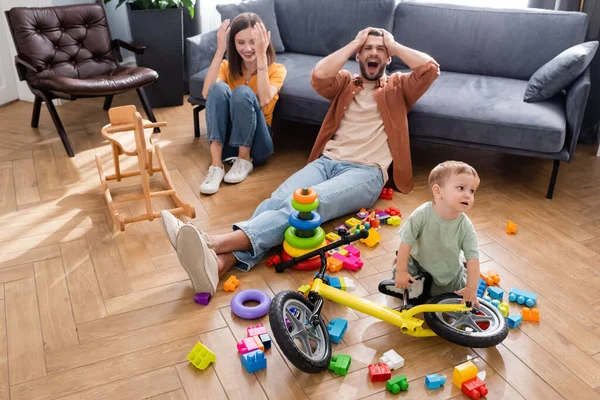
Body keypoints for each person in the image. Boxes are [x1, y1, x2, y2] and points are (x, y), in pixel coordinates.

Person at [162, 27, 440, 295]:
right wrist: (356, 43)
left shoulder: (399, 86)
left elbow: (430, 69)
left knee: (303, 205)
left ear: (389, 58)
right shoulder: (345, 82)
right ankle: (220, 264)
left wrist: (390, 44)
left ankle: (210, 241)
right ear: (358, 55)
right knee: (276, 199)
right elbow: (319, 75)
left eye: (381, 50)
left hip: (366, 172)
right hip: (326, 162)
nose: (374, 53)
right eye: (368, 49)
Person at [199, 13, 287, 195]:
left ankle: (244, 159)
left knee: (242, 93)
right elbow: (207, 93)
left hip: (258, 145)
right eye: (240, 43)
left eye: (253, 42)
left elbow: (263, 99)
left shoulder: (277, 70)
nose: (247, 48)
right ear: (234, 44)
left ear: (263, 41)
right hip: (228, 142)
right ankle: (216, 166)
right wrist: (219, 50)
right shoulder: (226, 67)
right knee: (217, 89)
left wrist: (262, 55)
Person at [392, 161, 481, 306]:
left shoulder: (466, 226)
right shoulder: (421, 214)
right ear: (438, 191)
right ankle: (400, 265)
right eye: (461, 188)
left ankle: (459, 274)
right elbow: (406, 242)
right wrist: (401, 272)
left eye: (472, 191)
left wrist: (471, 288)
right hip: (418, 262)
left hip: (446, 271)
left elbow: (473, 258)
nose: (468, 195)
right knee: (402, 279)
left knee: (447, 296)